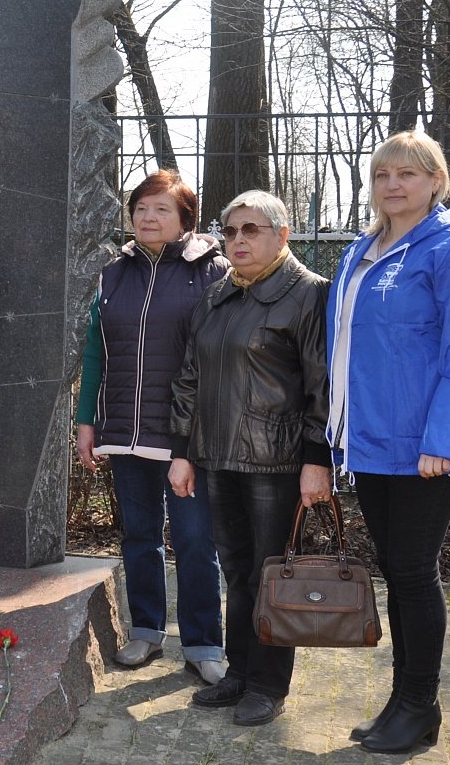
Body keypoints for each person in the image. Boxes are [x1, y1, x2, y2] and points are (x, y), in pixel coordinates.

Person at [327, 130, 450, 754]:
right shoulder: (362, 251)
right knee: (396, 576)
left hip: (426, 447)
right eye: (382, 175)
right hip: (370, 442)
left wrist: (444, 439)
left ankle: (420, 705)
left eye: (408, 173)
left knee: (412, 572)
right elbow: (347, 353)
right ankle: (404, 703)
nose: (393, 184)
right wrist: (338, 435)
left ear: (435, 181)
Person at [169, 190, 331, 728]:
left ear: (282, 236)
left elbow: (322, 386)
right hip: (217, 456)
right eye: (231, 230)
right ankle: (239, 672)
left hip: (276, 461)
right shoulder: (217, 296)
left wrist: (316, 459)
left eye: (252, 230)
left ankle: (268, 684)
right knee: (238, 573)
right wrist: (184, 453)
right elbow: (190, 379)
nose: (238, 240)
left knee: (271, 575)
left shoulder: (308, 296)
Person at [76, 171, 228, 686]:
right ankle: (145, 630)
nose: (148, 217)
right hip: (124, 429)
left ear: (186, 217)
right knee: (140, 536)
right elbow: (97, 350)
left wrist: (197, 436)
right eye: (141, 207)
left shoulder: (212, 272)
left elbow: (216, 359)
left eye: (161, 209)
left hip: (186, 436)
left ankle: (204, 640)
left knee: (193, 539)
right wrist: (85, 420)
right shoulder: (113, 273)